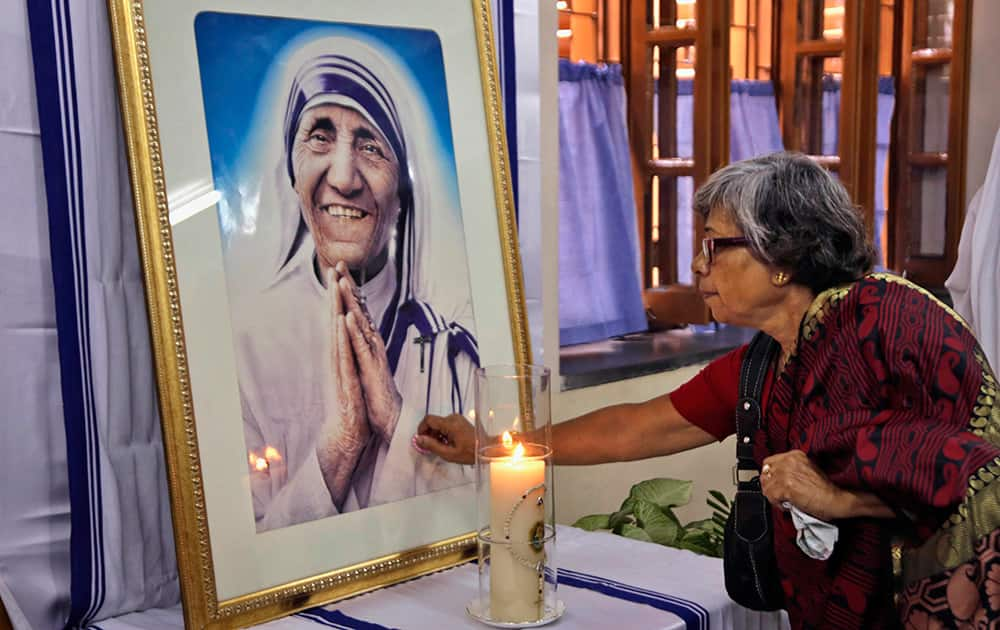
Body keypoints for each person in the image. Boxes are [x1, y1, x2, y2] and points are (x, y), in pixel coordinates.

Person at [416, 152, 1000, 628]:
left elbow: (971, 471)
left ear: (782, 256)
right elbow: (639, 427)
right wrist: (497, 441)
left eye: (715, 245)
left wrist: (840, 500)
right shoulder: (770, 357)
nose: (698, 266)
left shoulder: (883, 321)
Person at [225, 36, 479, 532]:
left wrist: (397, 421)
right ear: (293, 173)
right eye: (319, 137)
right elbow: (240, 550)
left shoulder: (452, 347)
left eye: (370, 145)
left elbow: (478, 516)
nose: (343, 177)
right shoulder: (243, 343)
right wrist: (340, 445)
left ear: (404, 192)